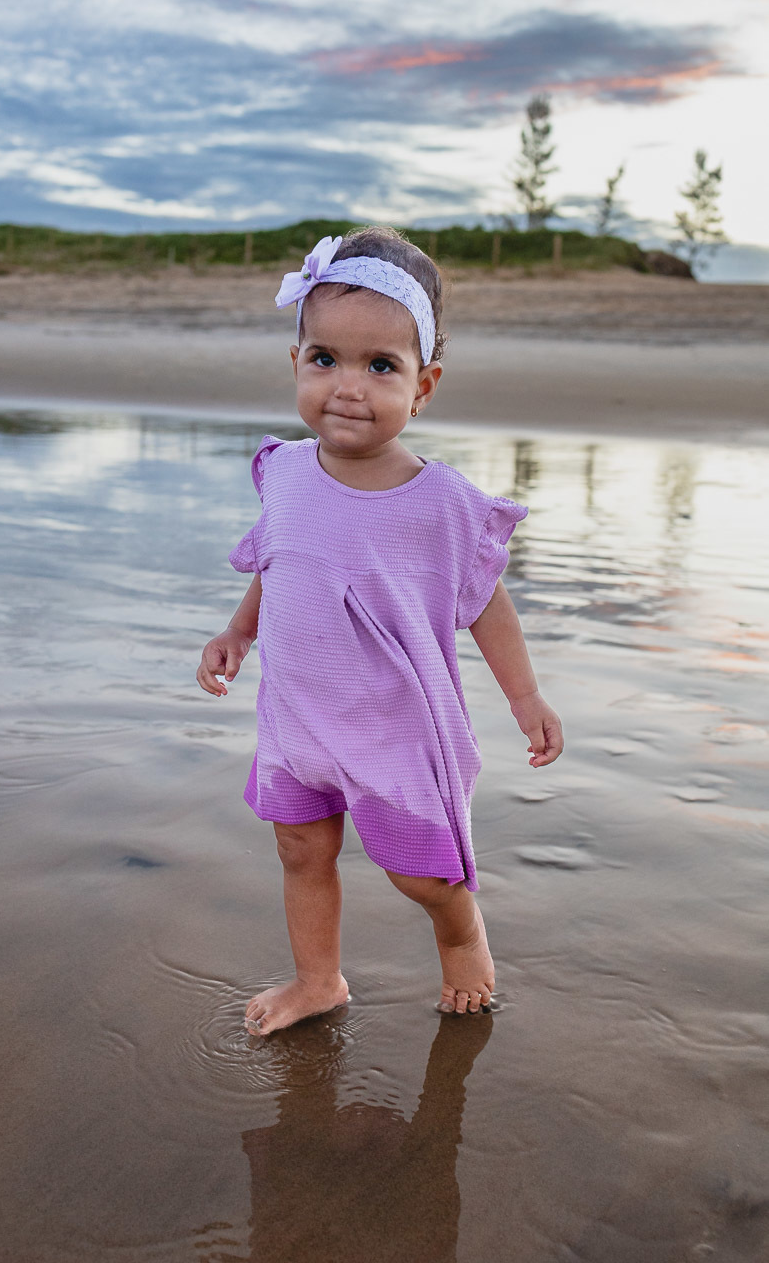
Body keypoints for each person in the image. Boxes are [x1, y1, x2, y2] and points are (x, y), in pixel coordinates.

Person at [197, 227, 563, 1037]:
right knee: (299, 849)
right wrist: (236, 633)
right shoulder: (285, 472)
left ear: (423, 386)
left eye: (381, 366)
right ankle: (317, 980)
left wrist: (526, 696)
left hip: (389, 727)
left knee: (419, 873)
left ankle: (461, 934)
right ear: (295, 364)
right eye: (325, 358)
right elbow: (278, 561)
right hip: (297, 718)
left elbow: (486, 604)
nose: (348, 387)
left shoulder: (441, 503)